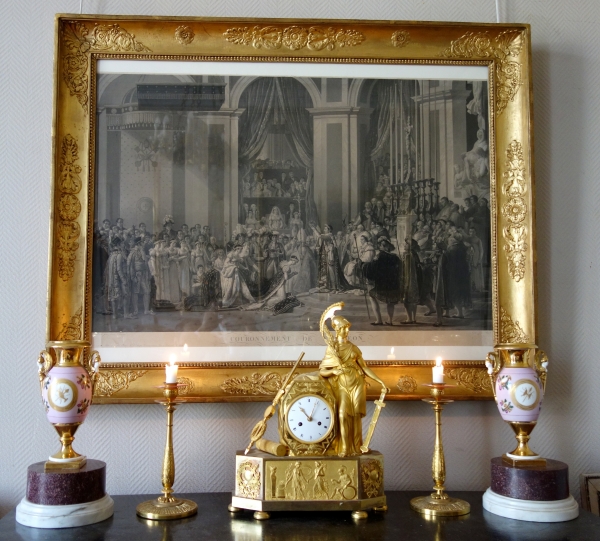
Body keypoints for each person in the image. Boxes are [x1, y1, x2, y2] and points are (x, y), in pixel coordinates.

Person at [319, 314, 388, 457]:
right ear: (336, 329)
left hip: (357, 383)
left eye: (347, 328)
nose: (346, 331)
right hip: (342, 386)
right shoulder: (332, 349)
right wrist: (334, 370)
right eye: (343, 328)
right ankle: (344, 447)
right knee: (342, 415)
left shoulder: (353, 348)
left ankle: (356, 447)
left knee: (356, 417)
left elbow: (364, 368)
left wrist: (380, 381)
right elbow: (322, 372)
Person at [361, 237, 402, 326]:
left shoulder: (379, 256)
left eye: (382, 245)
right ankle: (389, 321)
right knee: (390, 302)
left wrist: (363, 265)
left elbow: (372, 268)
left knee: (372, 297)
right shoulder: (395, 257)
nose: (382, 247)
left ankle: (379, 320)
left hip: (382, 284)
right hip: (393, 284)